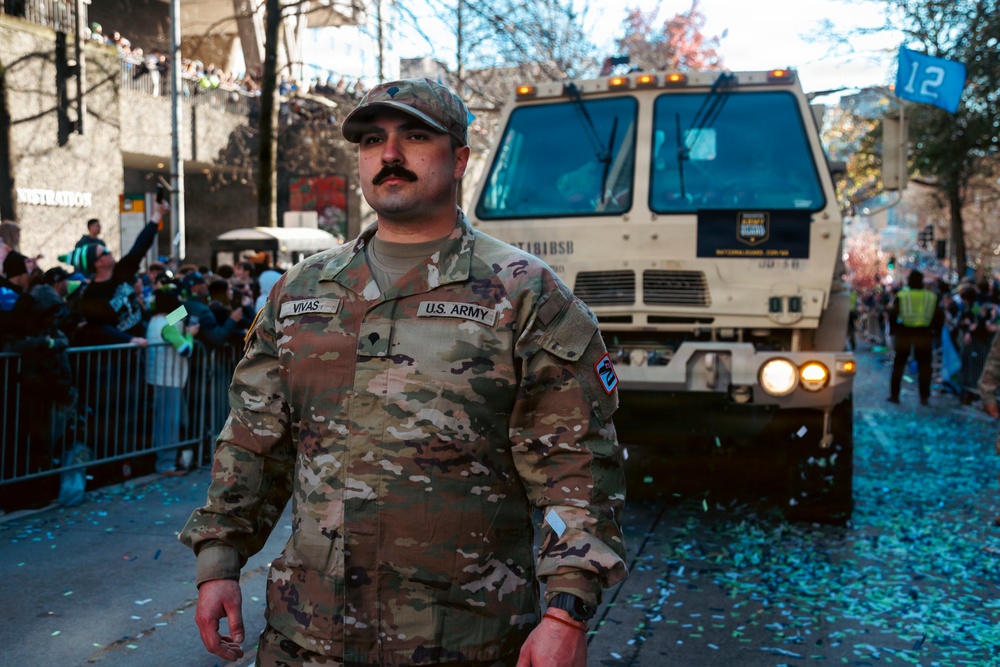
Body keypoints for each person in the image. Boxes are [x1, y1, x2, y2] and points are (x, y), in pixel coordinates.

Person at [180, 78, 628, 667]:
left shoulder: (525, 292)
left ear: (460, 158)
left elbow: (574, 460)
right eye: (371, 140)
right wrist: (219, 562)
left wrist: (565, 611)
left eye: (415, 136)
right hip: (308, 637)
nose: (389, 155)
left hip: (466, 641)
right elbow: (253, 440)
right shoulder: (303, 290)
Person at [146, 283, 198, 475]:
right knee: (169, 424)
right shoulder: (167, 325)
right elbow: (185, 349)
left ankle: (167, 461)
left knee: (165, 422)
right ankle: (166, 464)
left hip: (161, 379)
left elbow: (182, 312)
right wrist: (191, 336)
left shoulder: (156, 320)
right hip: (168, 380)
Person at [888, 268, 944, 405]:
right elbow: (939, 316)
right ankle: (924, 396)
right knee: (925, 367)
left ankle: (895, 395)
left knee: (899, 365)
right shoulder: (930, 297)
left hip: (904, 334)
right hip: (924, 334)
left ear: (909, 281)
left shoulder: (902, 296)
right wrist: (936, 332)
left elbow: (892, 314)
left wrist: (894, 330)